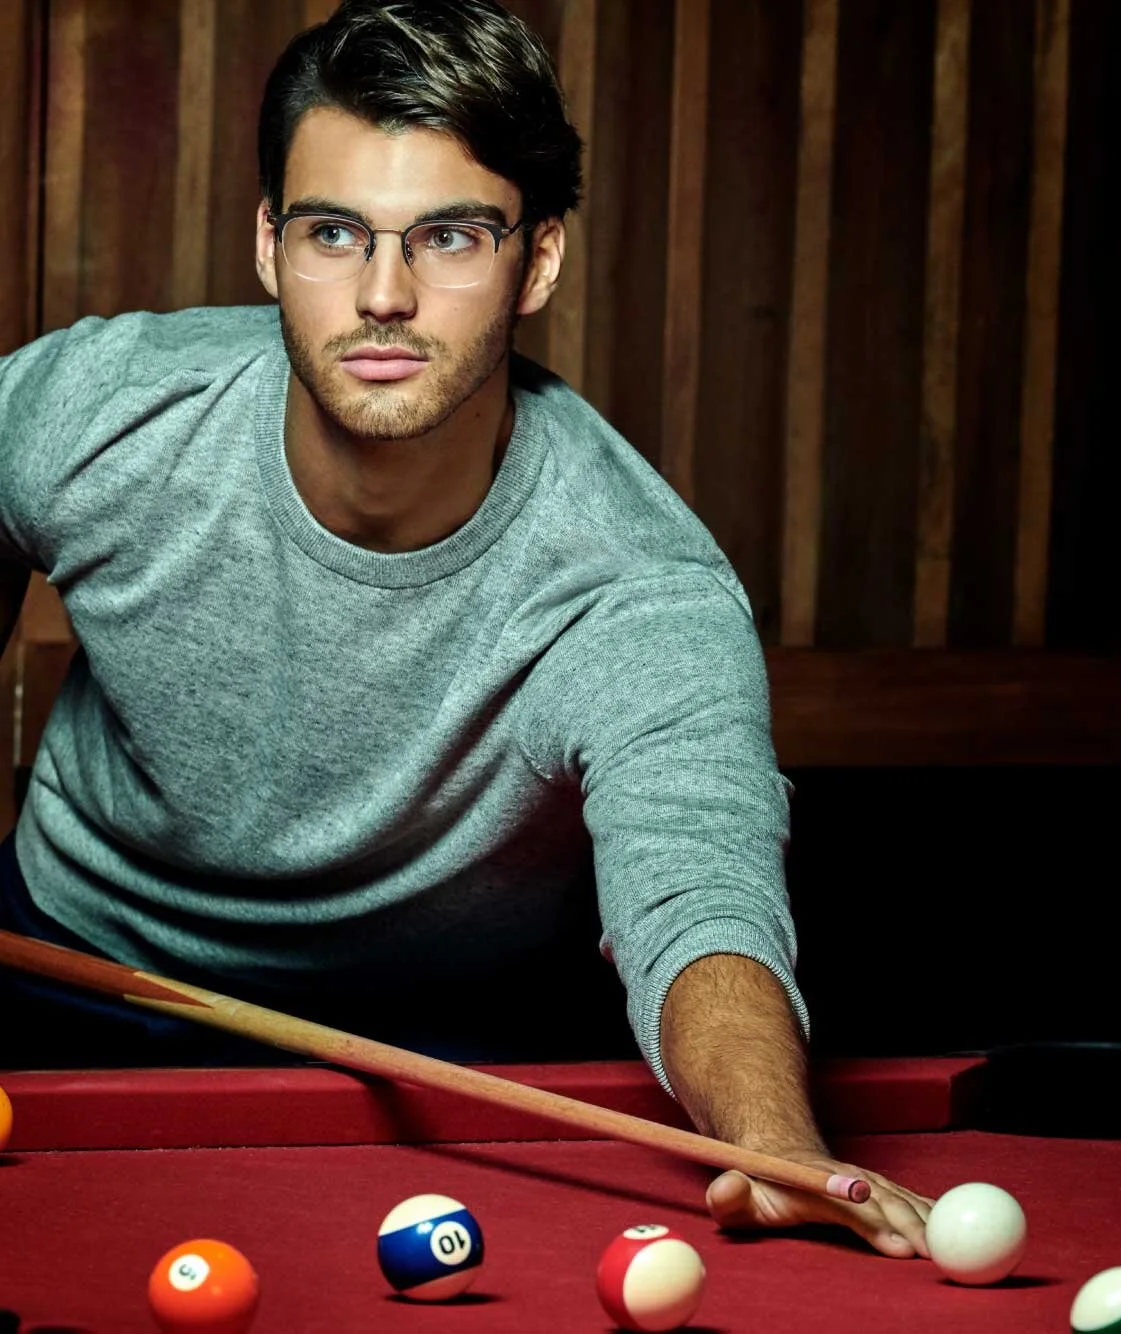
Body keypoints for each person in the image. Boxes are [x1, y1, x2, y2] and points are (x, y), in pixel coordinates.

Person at [0, 0, 932, 1259]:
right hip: (69, 976)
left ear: (537, 258)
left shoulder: (635, 586)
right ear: (271, 246)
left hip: (455, 1053)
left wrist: (772, 1135)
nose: (384, 294)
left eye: (449, 236)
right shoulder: (96, 414)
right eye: (335, 232)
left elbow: (701, 893)